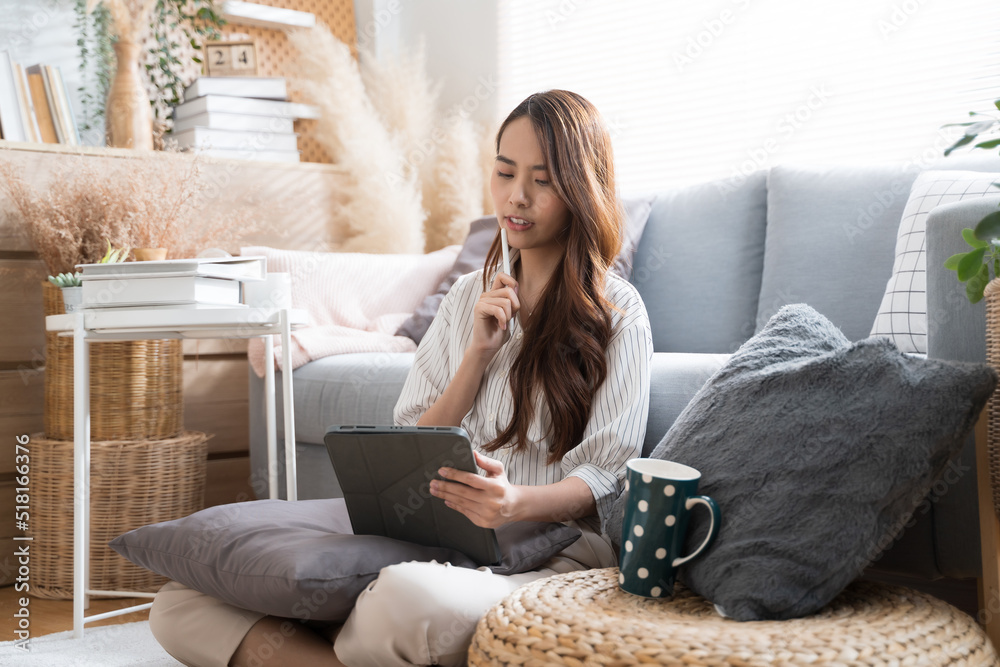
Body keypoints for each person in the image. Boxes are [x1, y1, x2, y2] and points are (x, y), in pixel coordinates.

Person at [148, 89, 653, 667]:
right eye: (505, 172)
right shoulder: (468, 297)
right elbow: (413, 431)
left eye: (542, 180)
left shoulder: (619, 313)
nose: (516, 196)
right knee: (182, 602)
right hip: (439, 538)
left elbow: (609, 475)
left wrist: (513, 502)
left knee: (401, 598)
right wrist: (477, 356)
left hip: (552, 552)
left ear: (581, 188)